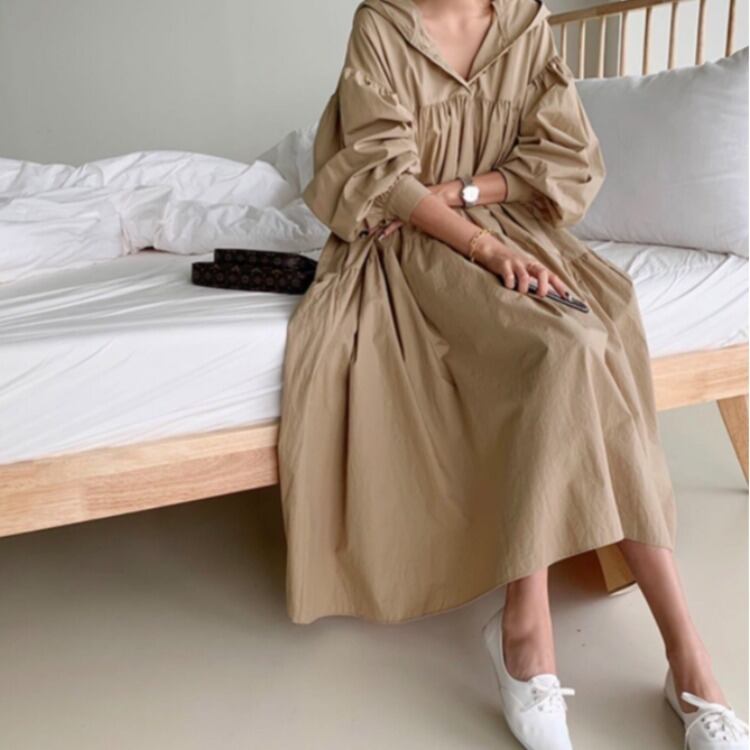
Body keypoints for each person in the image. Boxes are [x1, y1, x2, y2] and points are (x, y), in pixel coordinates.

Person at [277, 1, 749, 747]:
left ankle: (683, 655)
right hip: (414, 242)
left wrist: (468, 192)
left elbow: (565, 156)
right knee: (566, 347)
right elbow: (379, 172)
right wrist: (483, 244)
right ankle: (532, 627)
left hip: (505, 226)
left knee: (599, 335)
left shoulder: (525, 23)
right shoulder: (382, 24)